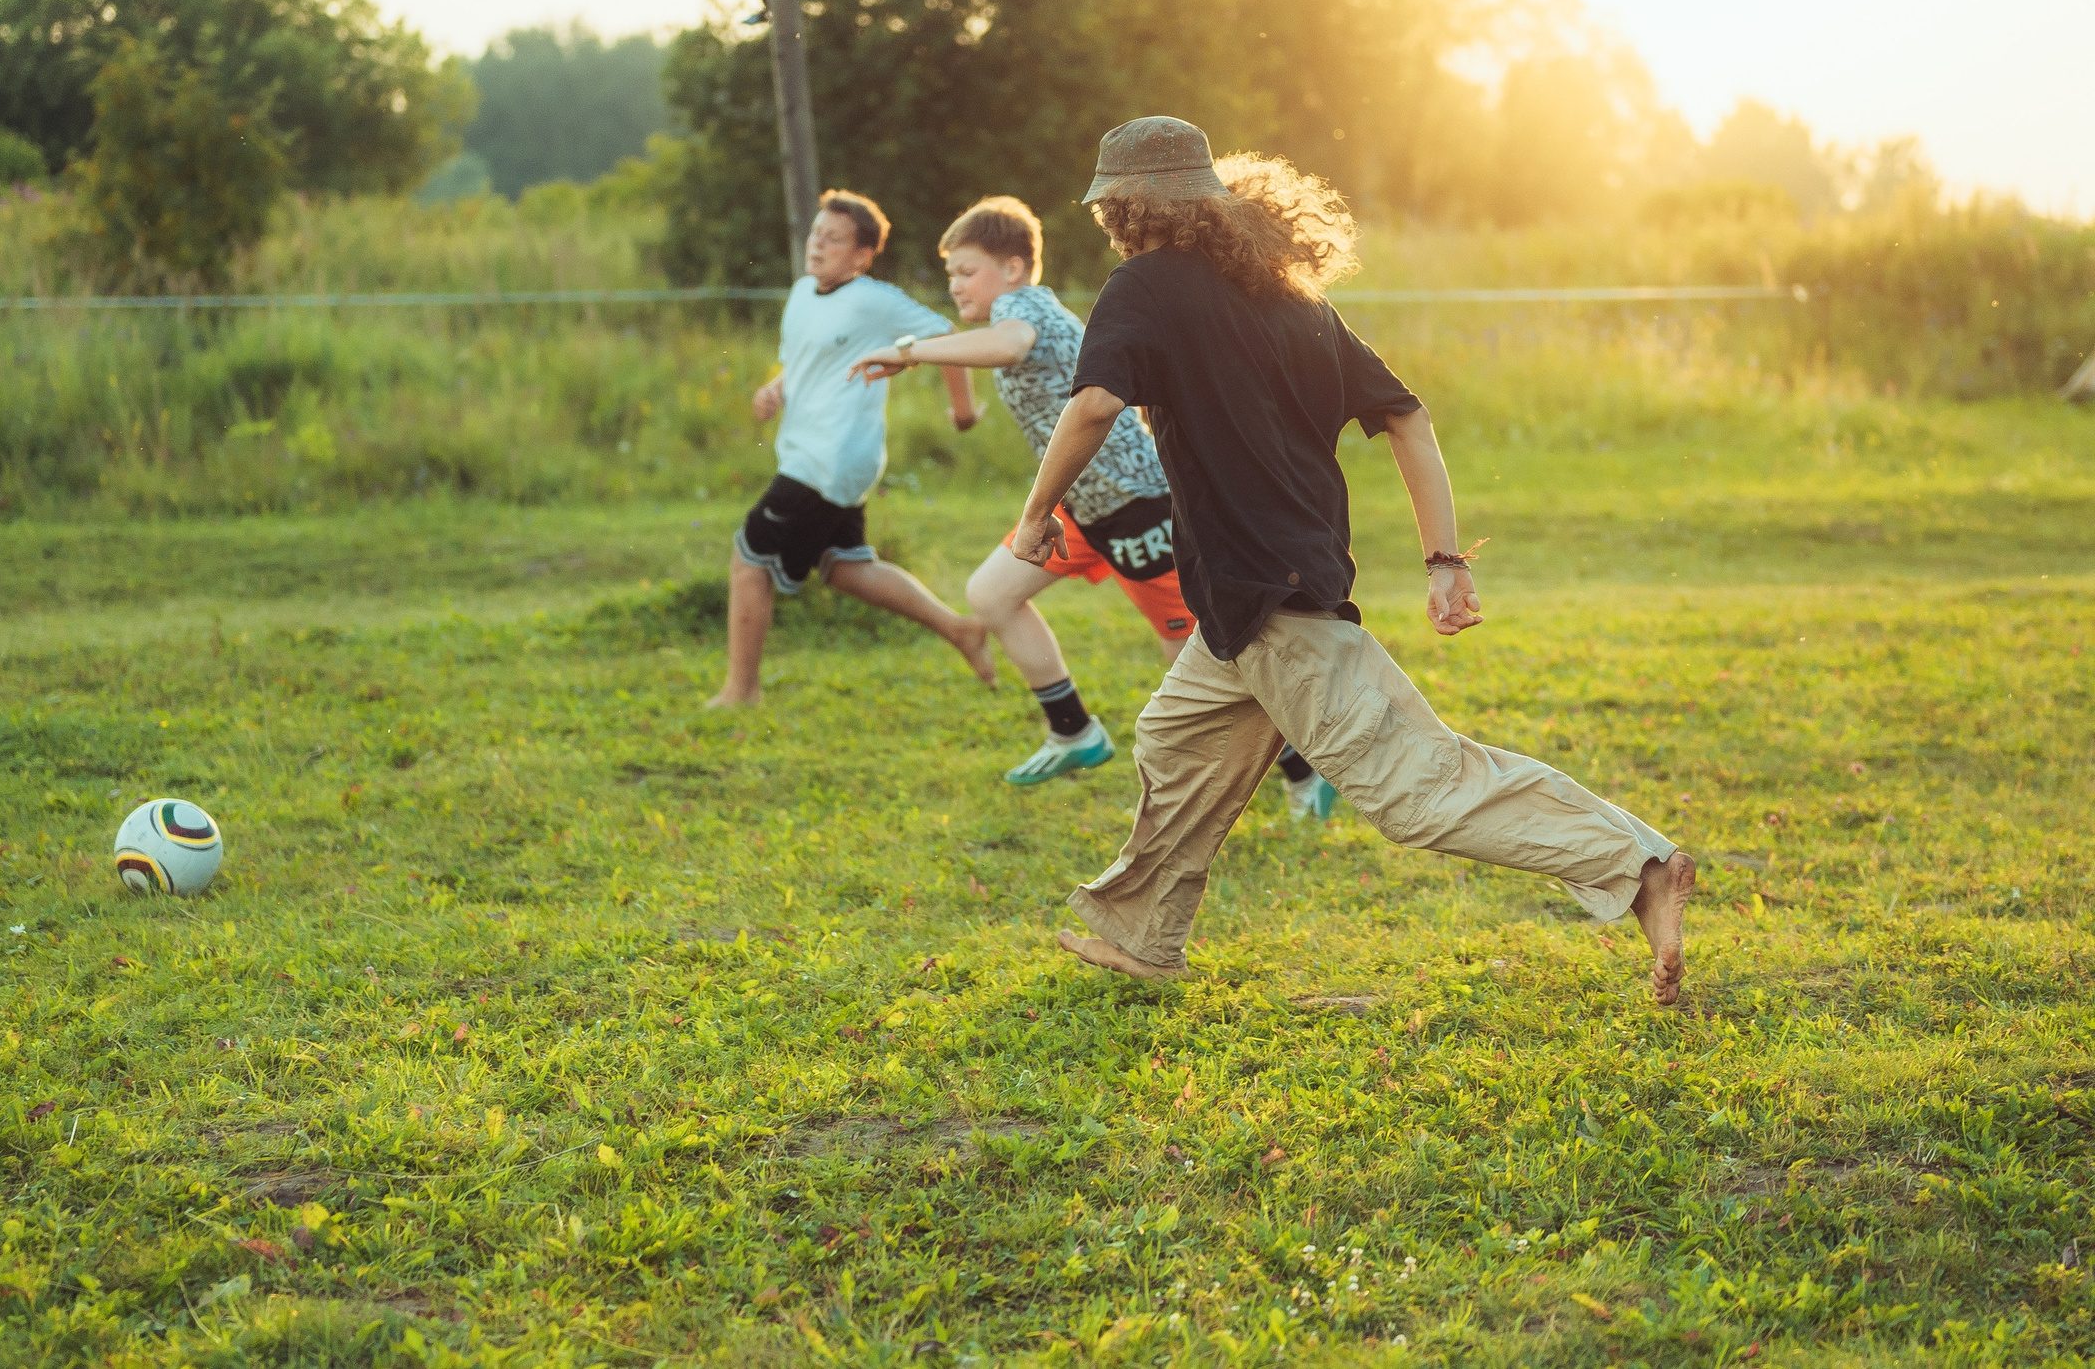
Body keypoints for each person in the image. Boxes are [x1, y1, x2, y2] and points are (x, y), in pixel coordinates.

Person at [1017, 117, 1697, 1005]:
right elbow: (1406, 415)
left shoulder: (1143, 285)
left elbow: (1096, 401)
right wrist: (1442, 556)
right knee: (1177, 738)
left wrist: (1037, 512)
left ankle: (1637, 864)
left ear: (1129, 207)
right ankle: (1144, 934)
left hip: (1272, 594)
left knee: (1418, 788)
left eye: (1112, 208)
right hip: (1254, 591)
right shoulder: (1287, 295)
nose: (1111, 224)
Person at [848, 195, 1340, 812]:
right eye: (949, 274)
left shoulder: (1021, 308)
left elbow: (1009, 343)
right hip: (1079, 509)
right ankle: (1073, 730)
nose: (955, 285)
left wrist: (909, 351)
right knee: (992, 595)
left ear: (1013, 269)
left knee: (1203, 659)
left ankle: (1303, 769)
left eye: (966, 270)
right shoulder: (1021, 309)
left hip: (1140, 508)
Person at [706, 190, 998, 708]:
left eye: (834, 239)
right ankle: (960, 630)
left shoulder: (873, 300)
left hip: (827, 460)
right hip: (819, 455)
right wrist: (776, 388)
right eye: (816, 234)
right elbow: (801, 362)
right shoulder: (801, 293)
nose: (817, 245)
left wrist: (963, 412)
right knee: (845, 567)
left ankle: (740, 692)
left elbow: (948, 336)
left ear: (863, 255)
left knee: (748, 561)